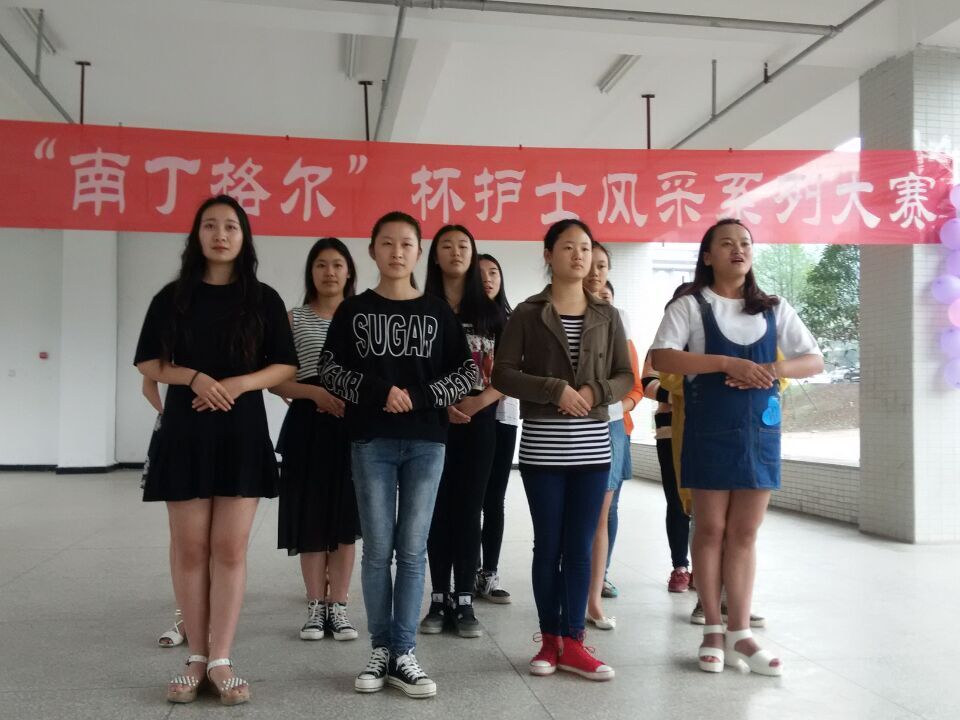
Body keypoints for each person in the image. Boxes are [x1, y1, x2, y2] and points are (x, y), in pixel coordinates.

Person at [135, 195, 298, 704]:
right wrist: (195, 378)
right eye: (210, 225)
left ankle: (221, 659)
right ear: (197, 236)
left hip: (240, 431)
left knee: (229, 548)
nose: (221, 234)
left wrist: (239, 383)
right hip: (185, 431)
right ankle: (196, 657)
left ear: (244, 238)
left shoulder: (263, 299)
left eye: (231, 226)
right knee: (190, 549)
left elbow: (285, 365)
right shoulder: (172, 297)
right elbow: (148, 362)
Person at [651, 218, 822, 677]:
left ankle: (741, 633)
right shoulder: (691, 306)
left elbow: (813, 359)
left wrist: (767, 369)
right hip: (709, 430)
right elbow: (662, 356)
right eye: (726, 243)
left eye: (745, 243)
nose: (738, 249)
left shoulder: (774, 308)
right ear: (708, 256)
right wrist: (727, 363)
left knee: (745, 532)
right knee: (710, 529)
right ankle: (712, 629)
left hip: (759, 434)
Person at [318, 211, 478, 699]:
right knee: (377, 550)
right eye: (386, 243)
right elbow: (329, 370)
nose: (396, 252)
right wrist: (379, 392)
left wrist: (420, 396)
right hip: (371, 440)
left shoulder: (437, 311)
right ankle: (380, 650)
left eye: (406, 243)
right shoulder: (354, 311)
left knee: (412, 549)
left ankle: (404, 651)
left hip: (427, 442)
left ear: (418, 252)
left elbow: (467, 373)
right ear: (372, 251)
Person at [492, 219, 632, 681]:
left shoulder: (608, 315)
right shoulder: (527, 313)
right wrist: (553, 389)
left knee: (579, 547)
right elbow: (502, 374)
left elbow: (625, 376)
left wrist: (594, 391)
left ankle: (574, 641)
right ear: (548, 254)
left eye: (585, 248)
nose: (579, 255)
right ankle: (548, 639)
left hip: (593, 450)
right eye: (568, 247)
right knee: (547, 544)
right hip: (543, 451)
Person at [270, 238, 361, 642]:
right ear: (311, 271)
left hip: (351, 427)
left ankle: (338, 607)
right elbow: (276, 381)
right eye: (321, 264)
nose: (329, 272)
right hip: (307, 425)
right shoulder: (294, 318)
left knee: (344, 522)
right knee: (310, 518)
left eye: (337, 265)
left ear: (349, 272)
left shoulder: (361, 316)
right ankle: (314, 606)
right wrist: (314, 394)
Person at [421, 226, 504, 637]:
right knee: (437, 509)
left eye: (463, 246)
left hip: (479, 420)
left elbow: (509, 372)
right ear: (435, 256)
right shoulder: (422, 309)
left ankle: (465, 598)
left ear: (473, 255)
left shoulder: (491, 313)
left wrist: (478, 402)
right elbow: (412, 369)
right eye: (446, 246)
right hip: (431, 420)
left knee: (470, 509)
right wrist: (441, 404)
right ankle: (439, 597)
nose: (456, 252)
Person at [587, 279, 644, 620]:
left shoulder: (623, 334)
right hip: (583, 426)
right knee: (590, 512)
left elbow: (636, 388)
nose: (602, 300)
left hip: (615, 429)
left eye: (607, 296)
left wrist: (615, 410)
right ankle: (584, 575)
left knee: (608, 511)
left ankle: (600, 574)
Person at [476, 253, 517, 604]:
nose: (488, 278)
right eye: (481, 273)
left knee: (494, 499)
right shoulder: (459, 319)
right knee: (466, 498)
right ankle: (465, 572)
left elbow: (517, 371)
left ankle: (489, 572)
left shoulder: (512, 320)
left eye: (494, 272)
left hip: (503, 418)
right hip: (466, 417)